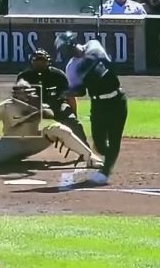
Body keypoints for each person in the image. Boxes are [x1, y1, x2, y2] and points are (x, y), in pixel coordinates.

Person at [0, 79, 103, 169]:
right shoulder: (6, 106)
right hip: (11, 142)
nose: (26, 96)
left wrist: (37, 110)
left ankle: (90, 157)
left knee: (60, 129)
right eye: (22, 94)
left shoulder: (37, 103)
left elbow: (50, 114)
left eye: (27, 93)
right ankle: (11, 157)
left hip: (34, 141)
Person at [55, 31, 129, 186]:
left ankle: (105, 172)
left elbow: (100, 61)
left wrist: (83, 71)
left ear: (72, 44)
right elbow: (81, 90)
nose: (65, 53)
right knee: (100, 144)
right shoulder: (71, 68)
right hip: (98, 104)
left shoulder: (93, 45)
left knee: (114, 138)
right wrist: (66, 93)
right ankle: (108, 159)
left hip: (116, 100)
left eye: (65, 49)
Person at [16, 48, 89, 146]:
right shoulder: (24, 76)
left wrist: (74, 115)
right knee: (16, 121)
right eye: (37, 61)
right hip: (33, 107)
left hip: (56, 105)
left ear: (48, 62)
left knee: (73, 123)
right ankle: (16, 145)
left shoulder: (58, 75)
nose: (40, 64)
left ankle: (84, 148)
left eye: (42, 61)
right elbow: (18, 99)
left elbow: (70, 96)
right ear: (32, 62)